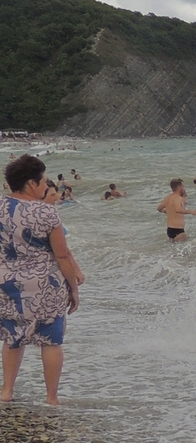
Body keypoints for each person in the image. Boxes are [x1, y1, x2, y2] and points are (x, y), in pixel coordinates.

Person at [1, 155, 85, 404]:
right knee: (51, 341)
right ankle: (51, 397)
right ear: (31, 183)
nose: (47, 186)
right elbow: (62, 254)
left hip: (8, 283)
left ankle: (6, 392)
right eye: (44, 181)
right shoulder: (47, 212)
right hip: (45, 285)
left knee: (13, 337)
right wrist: (73, 289)